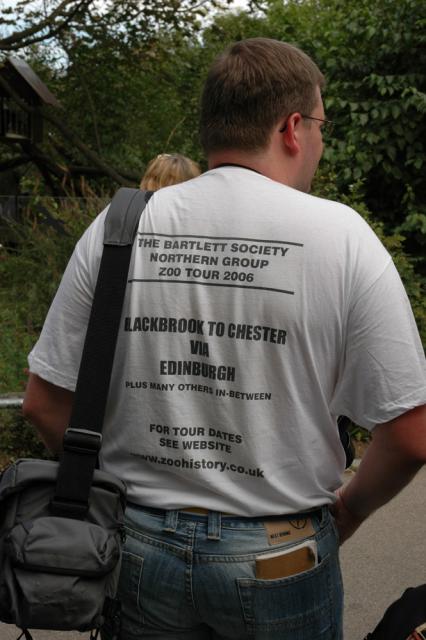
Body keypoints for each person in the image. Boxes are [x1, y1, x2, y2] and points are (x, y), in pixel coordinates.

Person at [23, 37, 426, 640]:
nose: (319, 141)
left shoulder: (120, 225)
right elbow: (412, 433)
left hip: (136, 549)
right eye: (321, 125)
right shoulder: (342, 235)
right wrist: (349, 511)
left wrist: (118, 494)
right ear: (293, 128)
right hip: (282, 553)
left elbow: (43, 401)